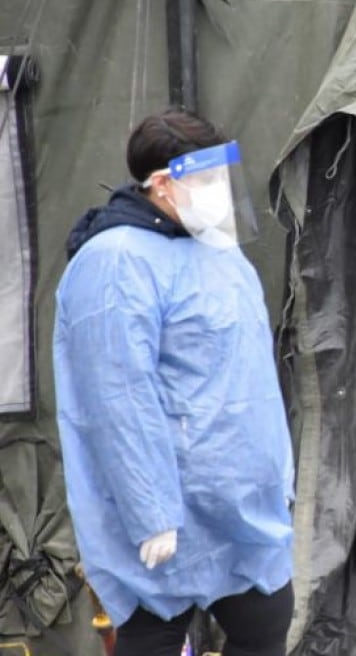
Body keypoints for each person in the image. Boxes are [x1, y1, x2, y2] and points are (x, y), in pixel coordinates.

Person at [53, 109, 294, 656]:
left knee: (266, 625)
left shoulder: (221, 254)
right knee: (152, 636)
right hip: (170, 512)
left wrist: (278, 477)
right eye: (207, 181)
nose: (219, 193)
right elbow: (116, 397)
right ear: (162, 185)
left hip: (241, 507)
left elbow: (254, 377)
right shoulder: (113, 262)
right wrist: (151, 513)